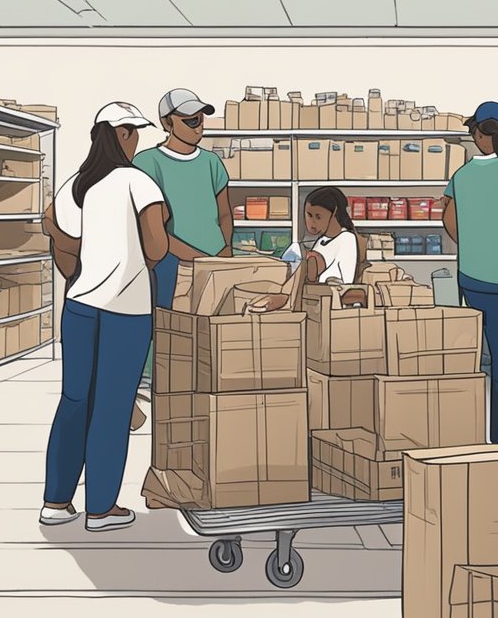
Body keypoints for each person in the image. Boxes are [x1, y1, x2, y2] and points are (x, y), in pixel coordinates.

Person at [40, 102, 168, 531]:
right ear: (123, 135)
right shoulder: (138, 182)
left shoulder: (74, 186)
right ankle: (101, 508)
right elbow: (156, 249)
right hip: (125, 312)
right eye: (134, 133)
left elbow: (65, 252)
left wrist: (85, 270)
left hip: (79, 308)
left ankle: (56, 503)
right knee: (112, 407)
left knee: (75, 402)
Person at [442, 101, 498, 452]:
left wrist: (474, 241)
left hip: (471, 277)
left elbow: (448, 220)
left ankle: (477, 439)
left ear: (478, 134)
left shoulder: (459, 177)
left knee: (481, 357)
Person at [132, 89, 234, 309]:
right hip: (172, 265)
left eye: (201, 119)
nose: (199, 126)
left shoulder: (211, 162)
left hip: (216, 262)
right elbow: (153, 229)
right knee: (171, 331)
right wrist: (200, 261)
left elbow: (224, 213)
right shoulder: (147, 163)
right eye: (191, 121)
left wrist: (224, 251)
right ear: (168, 123)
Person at [250, 186, 365, 312]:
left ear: (334, 213)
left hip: (330, 301)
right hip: (312, 296)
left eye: (318, 216)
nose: (312, 222)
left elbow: (345, 283)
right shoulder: (322, 240)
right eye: (309, 215)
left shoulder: (347, 238)